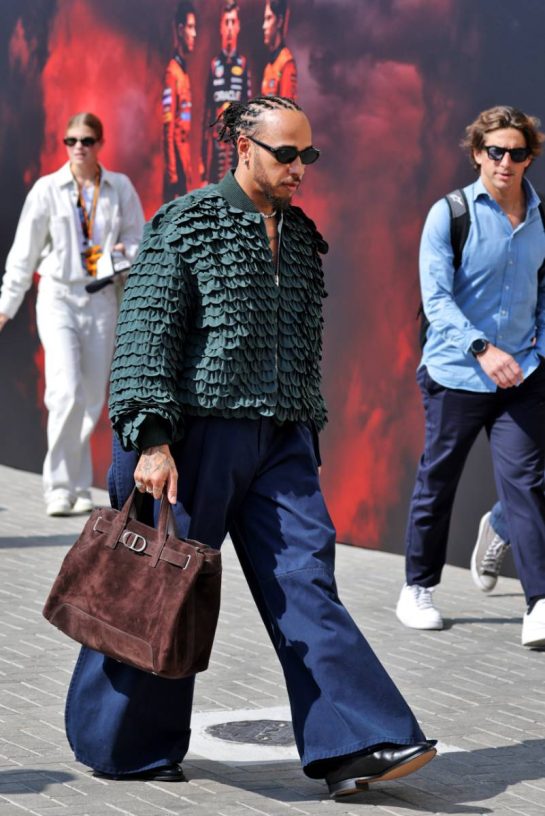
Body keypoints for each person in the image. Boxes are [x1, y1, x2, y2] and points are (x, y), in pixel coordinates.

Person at [64, 96, 436, 798]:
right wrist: (151, 438)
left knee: (307, 579)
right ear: (243, 146)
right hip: (188, 436)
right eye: (286, 154)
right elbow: (146, 332)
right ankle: (123, 744)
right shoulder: (189, 221)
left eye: (308, 156)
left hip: (280, 440)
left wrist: (297, 427)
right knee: (157, 592)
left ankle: (357, 740)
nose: (300, 169)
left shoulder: (298, 237)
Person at [396, 105, 545, 649]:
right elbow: (436, 299)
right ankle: (417, 588)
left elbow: (543, 294)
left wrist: (536, 355)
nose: (506, 162)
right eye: (495, 151)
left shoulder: (540, 218)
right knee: (439, 480)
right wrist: (482, 349)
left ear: (530, 157)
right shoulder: (450, 214)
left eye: (518, 152)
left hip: (523, 374)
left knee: (527, 485)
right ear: (477, 152)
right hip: (457, 371)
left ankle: (540, 603)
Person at [0, 112, 144, 517]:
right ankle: (60, 485)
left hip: (102, 299)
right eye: (71, 140)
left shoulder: (119, 188)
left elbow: (139, 238)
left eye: (86, 140)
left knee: (92, 397)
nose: (78, 147)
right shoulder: (48, 189)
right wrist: (5, 307)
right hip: (59, 296)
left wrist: (123, 254)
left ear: (99, 143)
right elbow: (23, 254)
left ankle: (81, 485)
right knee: (64, 392)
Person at [201, 1, 251, 185]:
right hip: (215, 150)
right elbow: (206, 116)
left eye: (233, 22)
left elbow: (249, 114)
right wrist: (202, 163)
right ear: (221, 27)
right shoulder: (214, 66)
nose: (229, 28)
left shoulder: (244, 65)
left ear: (238, 27)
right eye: (226, 22)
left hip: (236, 147)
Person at [162, 0, 197, 201]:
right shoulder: (172, 73)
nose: (194, 34)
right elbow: (168, 127)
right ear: (181, 29)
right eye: (191, 28)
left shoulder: (183, 73)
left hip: (184, 169)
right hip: (176, 175)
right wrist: (173, 176)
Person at [261, 0, 297, 99]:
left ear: (279, 22)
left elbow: (287, 112)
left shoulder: (286, 63)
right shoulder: (269, 66)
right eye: (264, 19)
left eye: (269, 18)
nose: (264, 26)